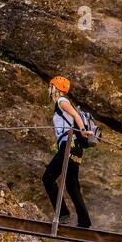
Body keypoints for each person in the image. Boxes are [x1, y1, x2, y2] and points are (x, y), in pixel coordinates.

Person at [42, 75, 92, 229]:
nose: (49, 89)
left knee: (48, 178)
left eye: (51, 86)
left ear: (56, 89)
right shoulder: (61, 103)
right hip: (76, 149)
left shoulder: (61, 101)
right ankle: (85, 222)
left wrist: (82, 130)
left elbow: (76, 115)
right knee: (72, 186)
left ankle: (63, 214)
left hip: (68, 146)